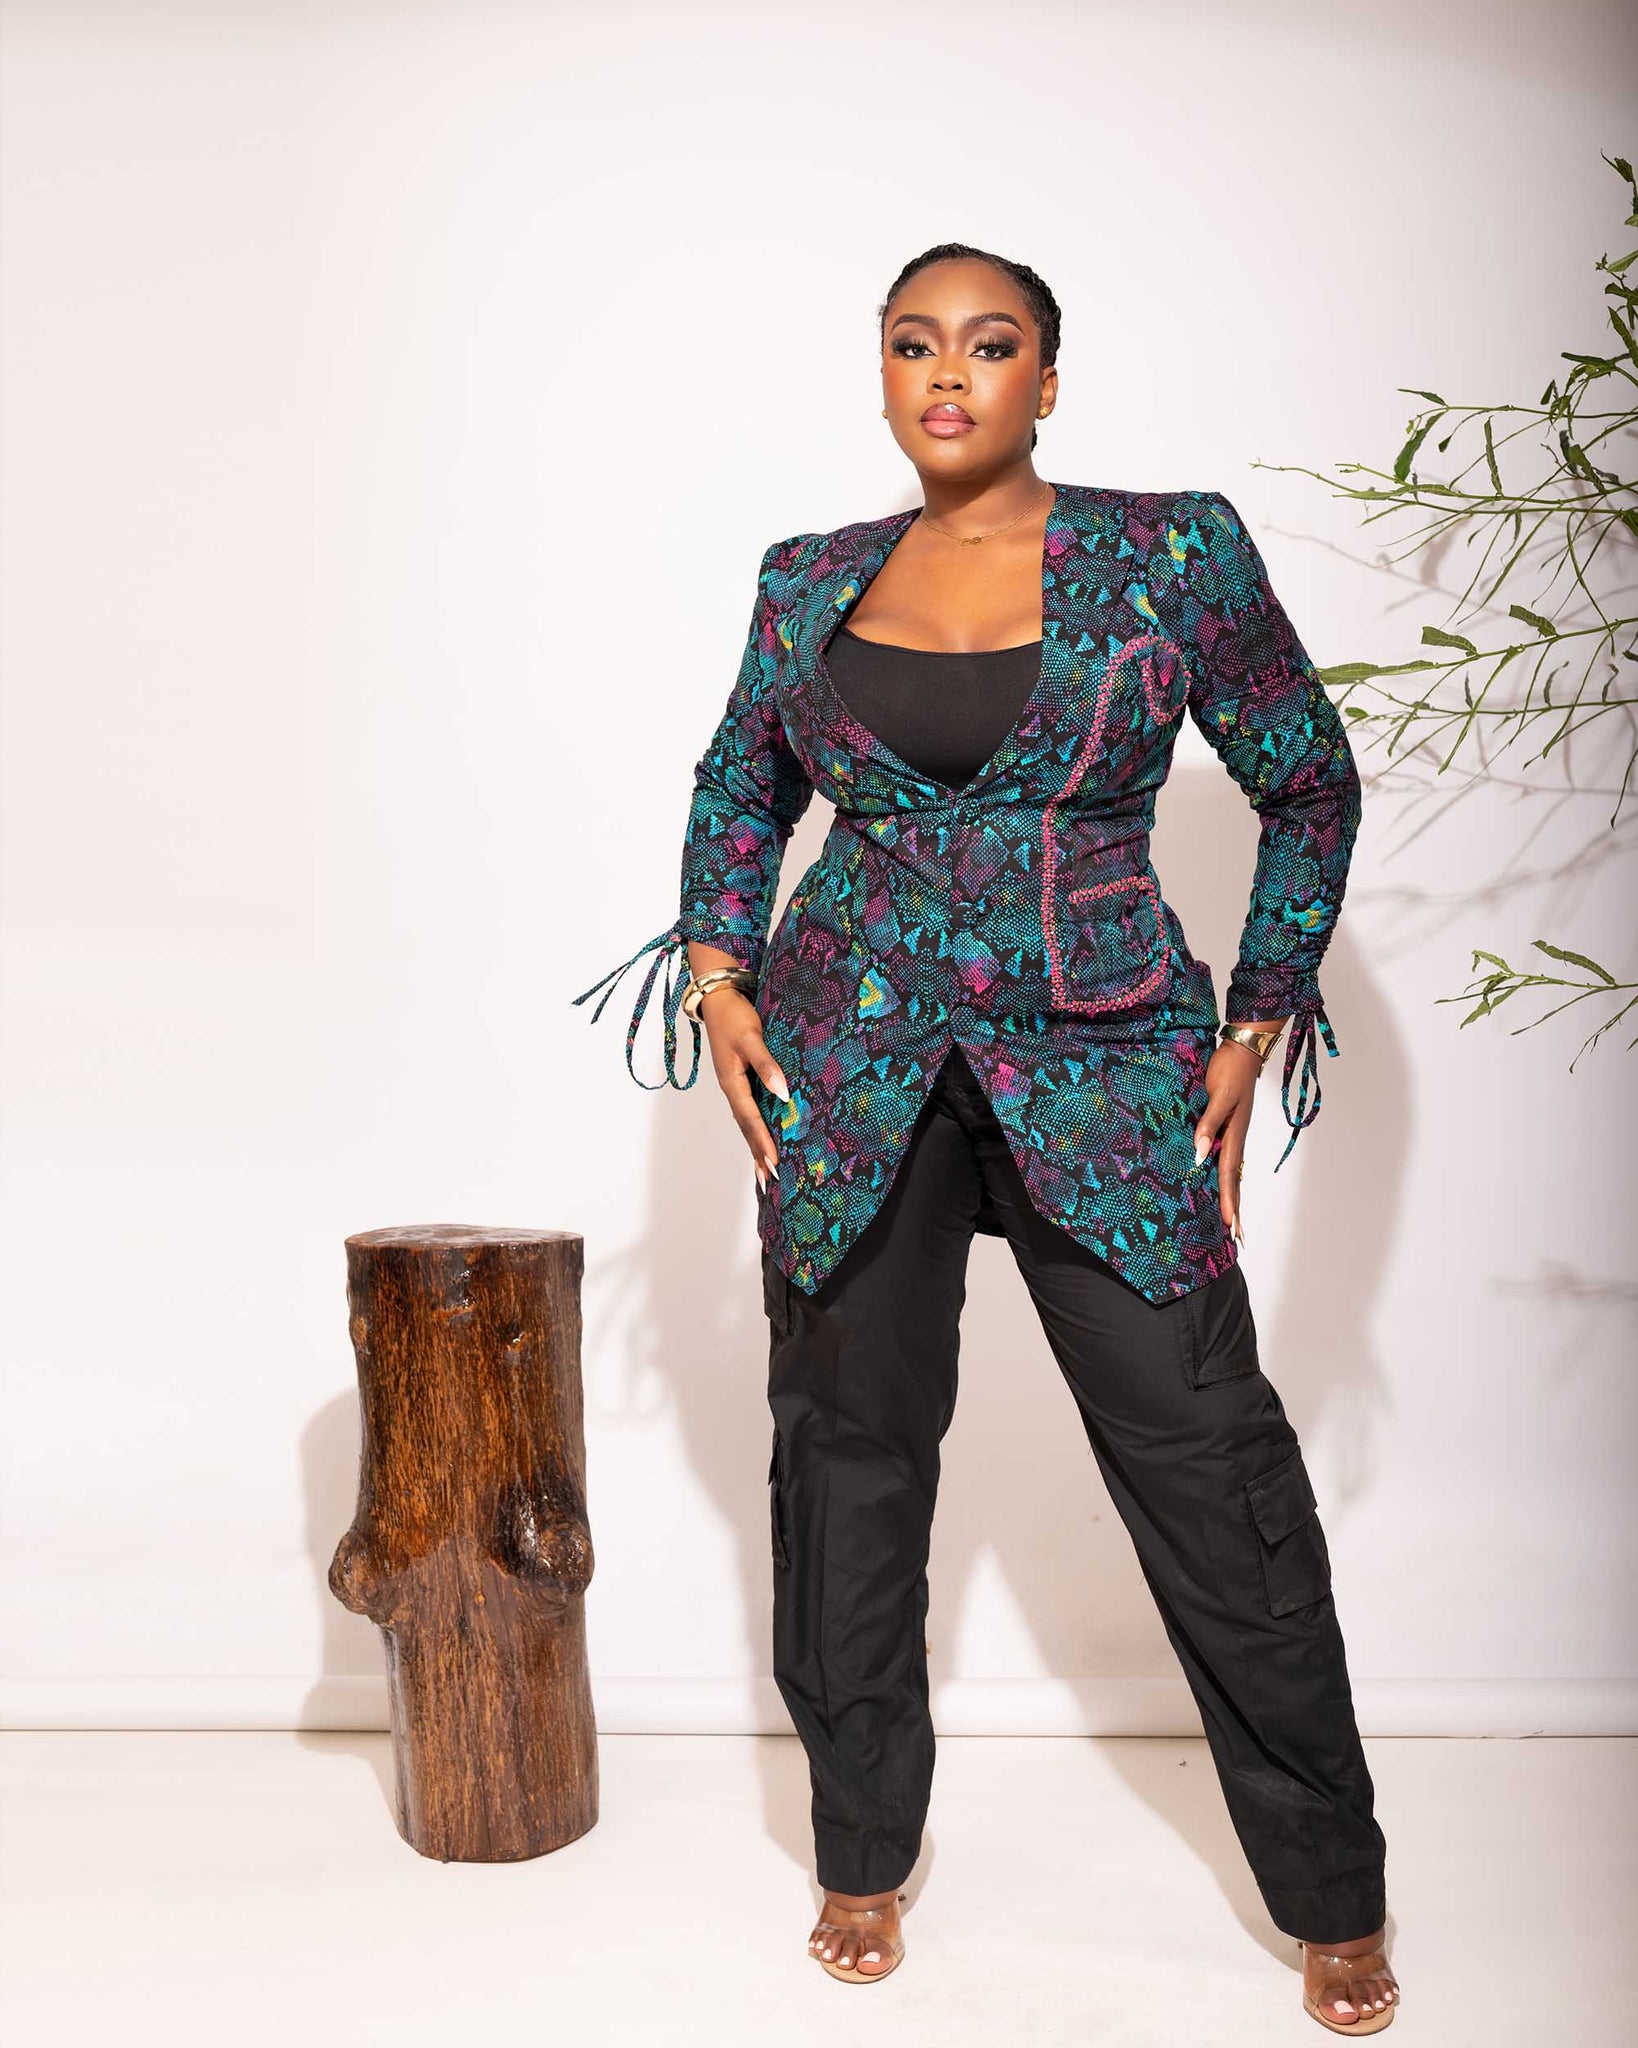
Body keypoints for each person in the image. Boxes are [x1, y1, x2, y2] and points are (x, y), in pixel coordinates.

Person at [572, 243, 1400, 2035]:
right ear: (882, 375)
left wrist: (1258, 1011)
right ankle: (860, 1852)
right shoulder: (806, 577)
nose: (947, 373)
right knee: (846, 1464)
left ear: (1046, 379)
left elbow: (1306, 776)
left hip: (1103, 1065)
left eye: (989, 343)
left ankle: (1332, 1890)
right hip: (850, 1067)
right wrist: (716, 969)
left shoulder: (1168, 551)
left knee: (1208, 1460)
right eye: (912, 345)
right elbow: (738, 782)